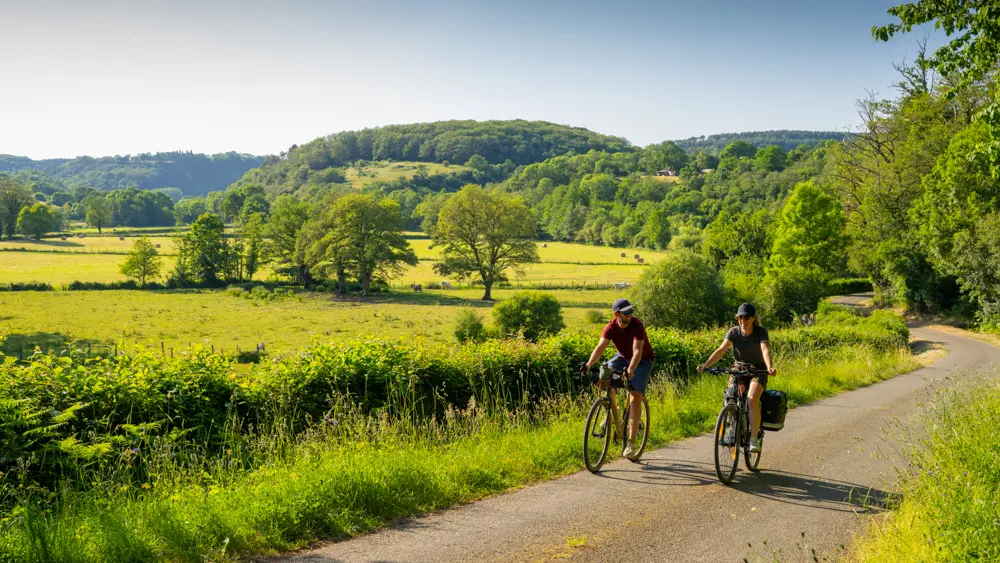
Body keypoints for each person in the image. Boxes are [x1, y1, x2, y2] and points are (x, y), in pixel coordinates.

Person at [580, 298, 655, 460]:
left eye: (631, 311)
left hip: (642, 361)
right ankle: (613, 412)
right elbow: (600, 347)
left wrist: (631, 369)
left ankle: (631, 443)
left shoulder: (637, 325)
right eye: (626, 312)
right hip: (621, 357)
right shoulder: (610, 328)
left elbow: (637, 351)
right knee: (604, 374)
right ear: (617, 314)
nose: (630, 315)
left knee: (635, 396)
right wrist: (588, 364)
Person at [696, 303, 776, 453]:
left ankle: (753, 439)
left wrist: (769, 366)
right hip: (738, 368)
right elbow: (721, 349)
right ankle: (733, 429)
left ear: (753, 318)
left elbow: (765, 349)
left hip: (758, 370)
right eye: (739, 317)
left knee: (752, 398)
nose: (742, 321)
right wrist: (706, 365)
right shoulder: (734, 332)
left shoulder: (761, 332)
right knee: (730, 397)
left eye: (746, 317)